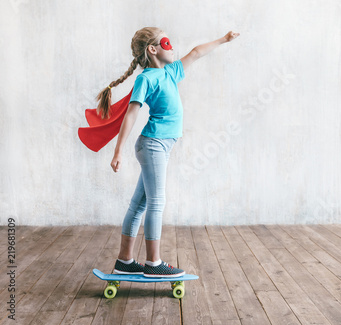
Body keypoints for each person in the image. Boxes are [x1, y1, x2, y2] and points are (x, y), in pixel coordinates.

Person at [95, 27, 240, 277]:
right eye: (167, 42)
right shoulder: (146, 78)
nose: (172, 47)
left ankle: (125, 261)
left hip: (159, 146)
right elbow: (132, 113)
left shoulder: (171, 72)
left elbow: (195, 53)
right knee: (156, 202)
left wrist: (223, 40)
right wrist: (117, 151)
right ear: (153, 49)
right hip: (153, 145)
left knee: (139, 204)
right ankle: (154, 264)